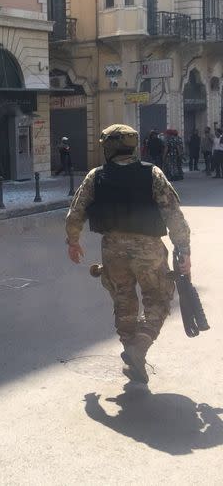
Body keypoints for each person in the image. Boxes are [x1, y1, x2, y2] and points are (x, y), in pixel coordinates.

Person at [65, 124, 191, 384]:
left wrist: (73, 241)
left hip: (112, 250)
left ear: (108, 147)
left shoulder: (95, 176)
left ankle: (133, 355)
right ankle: (139, 347)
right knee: (158, 299)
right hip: (149, 250)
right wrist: (184, 249)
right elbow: (173, 214)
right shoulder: (152, 174)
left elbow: (76, 211)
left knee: (124, 303)